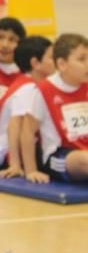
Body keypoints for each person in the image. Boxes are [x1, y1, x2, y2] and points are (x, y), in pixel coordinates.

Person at [11, 33, 88, 184]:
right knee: (84, 160)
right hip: (62, 154)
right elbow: (27, 131)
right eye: (82, 59)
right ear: (62, 64)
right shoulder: (44, 90)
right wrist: (31, 170)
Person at [0, 35, 54, 177]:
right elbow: (14, 124)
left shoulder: (30, 83)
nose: (58, 62)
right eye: (52, 57)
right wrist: (15, 165)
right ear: (36, 63)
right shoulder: (28, 88)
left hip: (14, 146)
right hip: (5, 151)